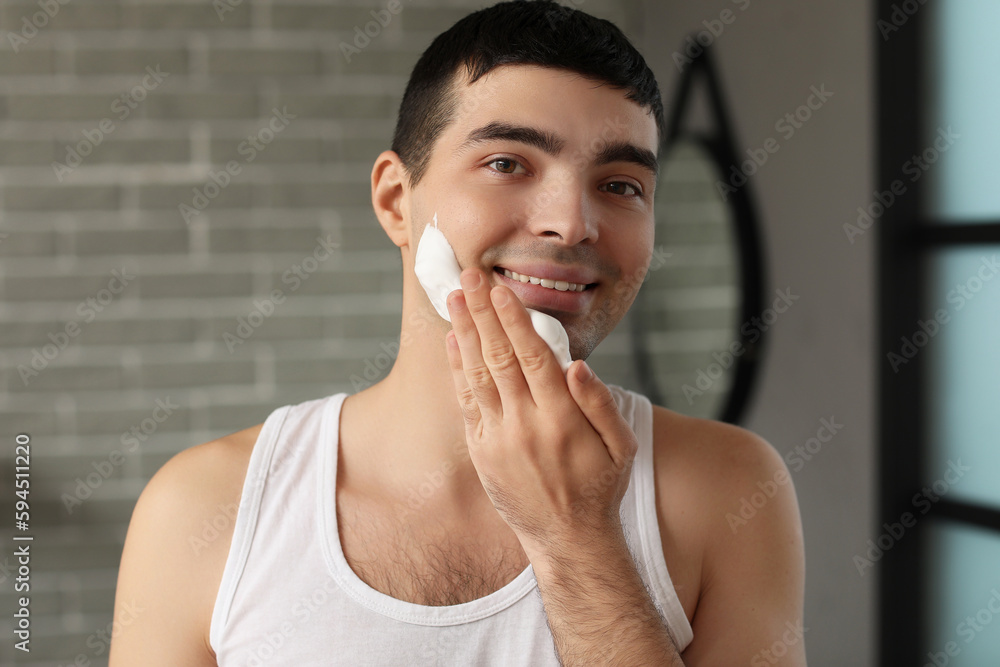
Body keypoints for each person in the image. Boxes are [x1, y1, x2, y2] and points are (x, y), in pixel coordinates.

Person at [109, 1, 806, 664]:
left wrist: (574, 537)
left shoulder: (729, 491)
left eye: (621, 185)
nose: (570, 222)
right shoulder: (202, 511)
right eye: (507, 163)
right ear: (394, 202)